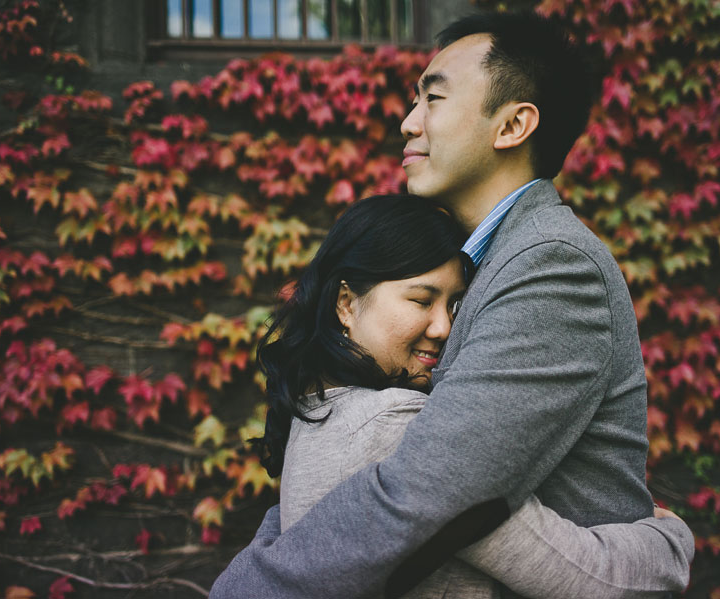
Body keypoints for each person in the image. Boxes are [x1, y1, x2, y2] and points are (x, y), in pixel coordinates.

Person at [211, 12, 691, 598]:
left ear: (513, 125)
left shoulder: (552, 264)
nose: (408, 123)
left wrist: (247, 588)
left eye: (432, 99)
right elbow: (394, 476)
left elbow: (429, 490)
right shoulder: (487, 263)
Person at [234, 194, 692, 599]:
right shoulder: (394, 427)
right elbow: (579, 575)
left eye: (454, 305)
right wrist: (669, 541)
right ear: (346, 304)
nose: (444, 328)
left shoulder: (315, 416)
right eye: (420, 300)